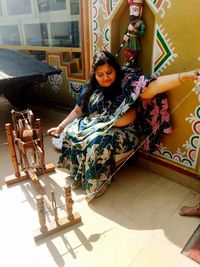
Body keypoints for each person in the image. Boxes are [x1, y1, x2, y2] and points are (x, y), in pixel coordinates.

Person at [47, 50, 199, 200]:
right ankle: (77, 173)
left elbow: (154, 86)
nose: (105, 77)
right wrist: (60, 127)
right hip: (96, 125)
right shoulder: (90, 88)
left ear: (116, 69)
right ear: (94, 74)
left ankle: (96, 185)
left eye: (109, 72)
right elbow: (77, 110)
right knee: (72, 130)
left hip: (125, 132)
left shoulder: (127, 84)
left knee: (97, 141)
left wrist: (185, 76)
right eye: (100, 75)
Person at [123, 0, 145, 66]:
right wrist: (125, 36)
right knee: (126, 53)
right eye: (131, 10)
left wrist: (134, 30)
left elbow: (142, 34)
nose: (132, 13)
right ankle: (127, 64)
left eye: (135, 10)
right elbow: (126, 32)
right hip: (128, 42)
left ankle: (131, 64)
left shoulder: (141, 23)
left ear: (140, 11)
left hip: (135, 43)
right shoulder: (130, 23)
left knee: (134, 55)